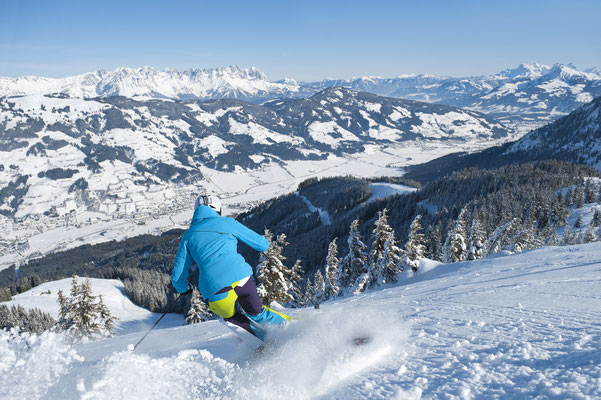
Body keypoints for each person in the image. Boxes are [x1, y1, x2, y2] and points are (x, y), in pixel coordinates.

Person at [171, 194, 290, 339]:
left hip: (214, 288)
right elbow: (262, 244)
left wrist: (184, 289)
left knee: (232, 318)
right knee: (257, 313)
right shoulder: (228, 223)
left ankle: (263, 341)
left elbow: (177, 277)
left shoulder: (189, 236)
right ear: (218, 209)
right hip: (242, 278)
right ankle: (293, 329)